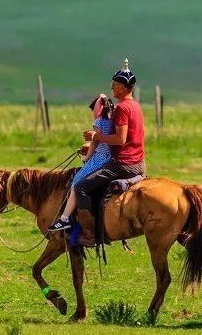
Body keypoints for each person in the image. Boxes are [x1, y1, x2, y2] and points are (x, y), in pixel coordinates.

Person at [76, 58, 146, 246]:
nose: (112, 87)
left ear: (123, 87)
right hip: (140, 162)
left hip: (123, 164)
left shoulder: (122, 108)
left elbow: (120, 139)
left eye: (114, 84)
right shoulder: (136, 105)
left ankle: (89, 235)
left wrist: (95, 137)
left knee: (81, 186)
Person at [48, 94, 115, 231]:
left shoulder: (98, 123)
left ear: (96, 110)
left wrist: (86, 157)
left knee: (76, 183)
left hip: (99, 158)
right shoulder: (113, 121)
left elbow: (95, 142)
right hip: (110, 157)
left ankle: (65, 218)